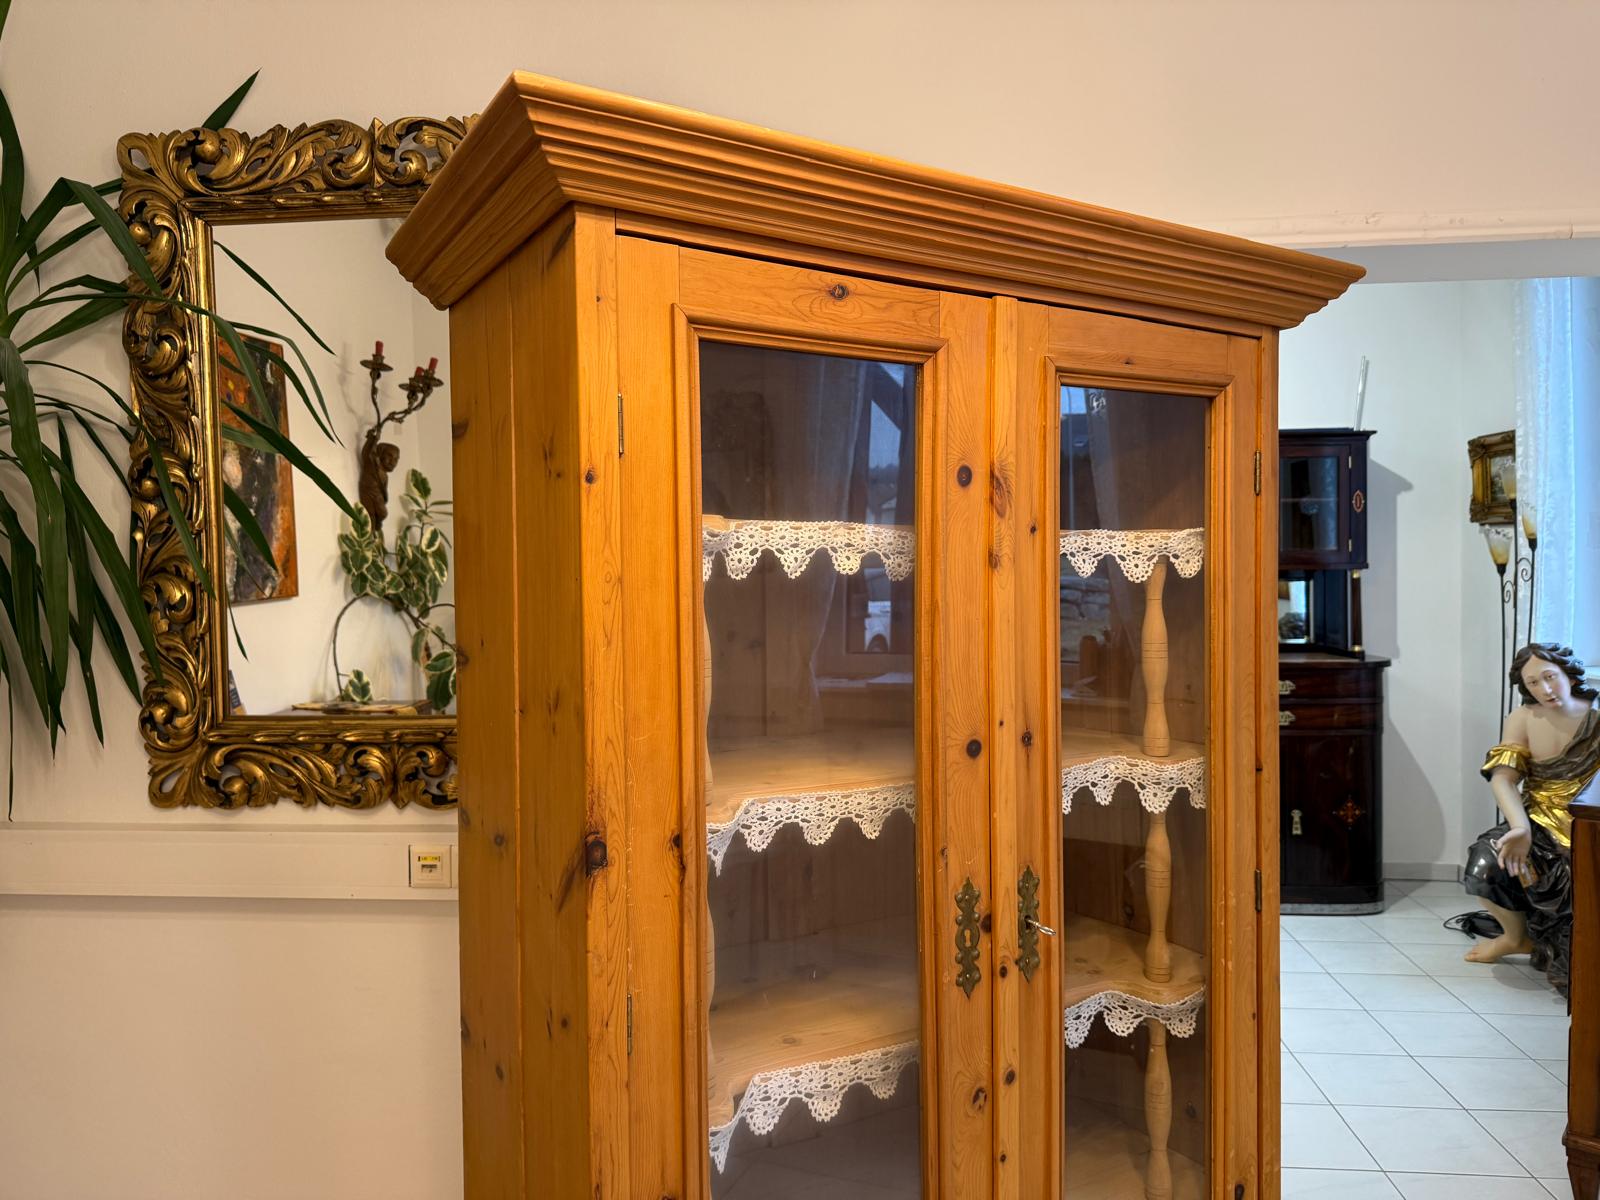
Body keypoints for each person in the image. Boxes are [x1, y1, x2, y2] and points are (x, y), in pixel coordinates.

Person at [1461, 643, 1600, 995]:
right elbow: (1503, 779)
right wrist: (1520, 827)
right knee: (1484, 863)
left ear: (1570, 674)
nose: (1545, 689)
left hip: (1588, 821)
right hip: (1536, 817)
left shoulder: (1596, 718)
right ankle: (1514, 937)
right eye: (1533, 683)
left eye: (1550, 677)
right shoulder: (1523, 719)